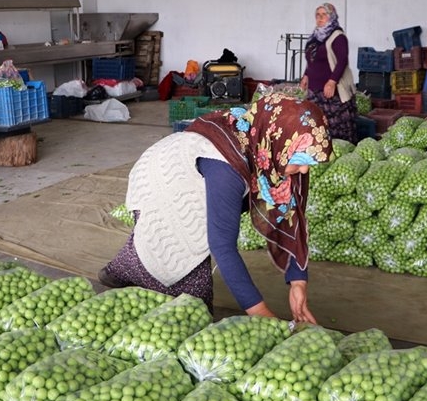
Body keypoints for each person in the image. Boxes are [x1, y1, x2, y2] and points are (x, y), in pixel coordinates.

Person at [98, 92, 333, 324]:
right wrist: (263, 315)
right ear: (279, 141)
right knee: (191, 303)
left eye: (308, 163)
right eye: (299, 161)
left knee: (172, 251)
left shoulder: (269, 145)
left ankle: (117, 271)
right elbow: (222, 245)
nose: (303, 171)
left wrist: (298, 282)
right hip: (164, 176)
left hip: (195, 169)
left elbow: (290, 214)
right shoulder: (226, 165)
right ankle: (128, 271)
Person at [299, 2, 358, 143]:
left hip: (332, 91)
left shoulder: (338, 36)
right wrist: (306, 75)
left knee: (336, 125)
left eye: (324, 15)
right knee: (318, 123)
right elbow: (312, 59)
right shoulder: (315, 37)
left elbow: (342, 61)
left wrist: (332, 82)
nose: (319, 18)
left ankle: (342, 150)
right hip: (315, 89)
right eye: (317, 15)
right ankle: (322, 150)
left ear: (331, 17)